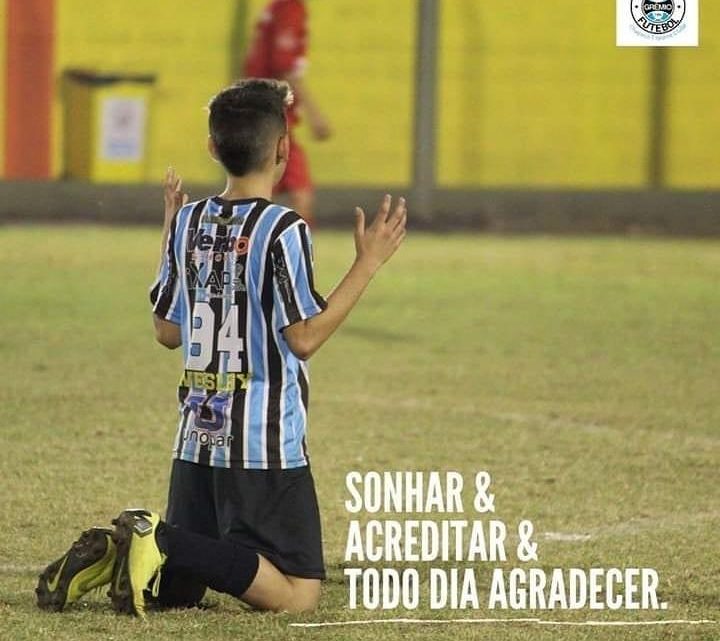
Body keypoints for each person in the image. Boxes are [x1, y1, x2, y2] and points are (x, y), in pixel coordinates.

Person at [36, 78, 407, 618]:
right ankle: (154, 537)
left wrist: (171, 227)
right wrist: (368, 262)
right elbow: (302, 338)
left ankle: (125, 546)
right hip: (261, 443)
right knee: (298, 595)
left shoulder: (188, 221)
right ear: (283, 148)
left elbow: (167, 331)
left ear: (212, 148)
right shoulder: (282, 228)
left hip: (195, 444)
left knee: (183, 589)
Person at [244, 0, 331, 224]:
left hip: (262, 112)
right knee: (300, 195)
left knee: (258, 190)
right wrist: (315, 115)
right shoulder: (289, 8)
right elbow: (285, 66)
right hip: (272, 115)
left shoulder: (278, 7)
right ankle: (293, 255)